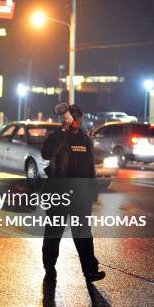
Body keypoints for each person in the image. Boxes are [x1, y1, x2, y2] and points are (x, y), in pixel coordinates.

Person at [41, 104, 106, 283]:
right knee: (54, 232)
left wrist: (93, 190)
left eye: (77, 119)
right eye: (71, 118)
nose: (75, 122)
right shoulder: (57, 137)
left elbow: (90, 166)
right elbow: (46, 154)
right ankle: (49, 266)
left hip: (80, 195)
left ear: (80, 119)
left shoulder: (85, 140)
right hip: (59, 193)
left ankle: (91, 271)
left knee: (83, 233)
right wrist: (63, 133)